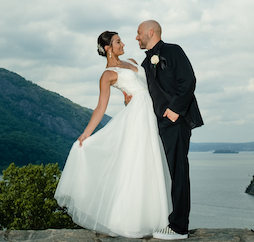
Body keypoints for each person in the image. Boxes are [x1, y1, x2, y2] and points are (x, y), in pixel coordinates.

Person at [55, 31, 173, 238]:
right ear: (108, 48)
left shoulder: (133, 61)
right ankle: (129, 222)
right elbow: (101, 106)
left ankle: (158, 220)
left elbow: (148, 84)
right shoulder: (107, 75)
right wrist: (86, 134)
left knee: (152, 162)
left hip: (150, 112)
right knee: (137, 164)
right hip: (138, 118)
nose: (123, 43)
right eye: (118, 42)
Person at [137, 20, 203, 240]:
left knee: (178, 170)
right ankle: (166, 218)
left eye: (139, 34)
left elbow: (188, 81)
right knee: (164, 172)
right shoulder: (145, 64)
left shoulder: (173, 51)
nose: (136, 38)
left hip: (177, 120)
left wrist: (175, 110)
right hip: (159, 124)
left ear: (151, 32)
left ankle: (179, 227)